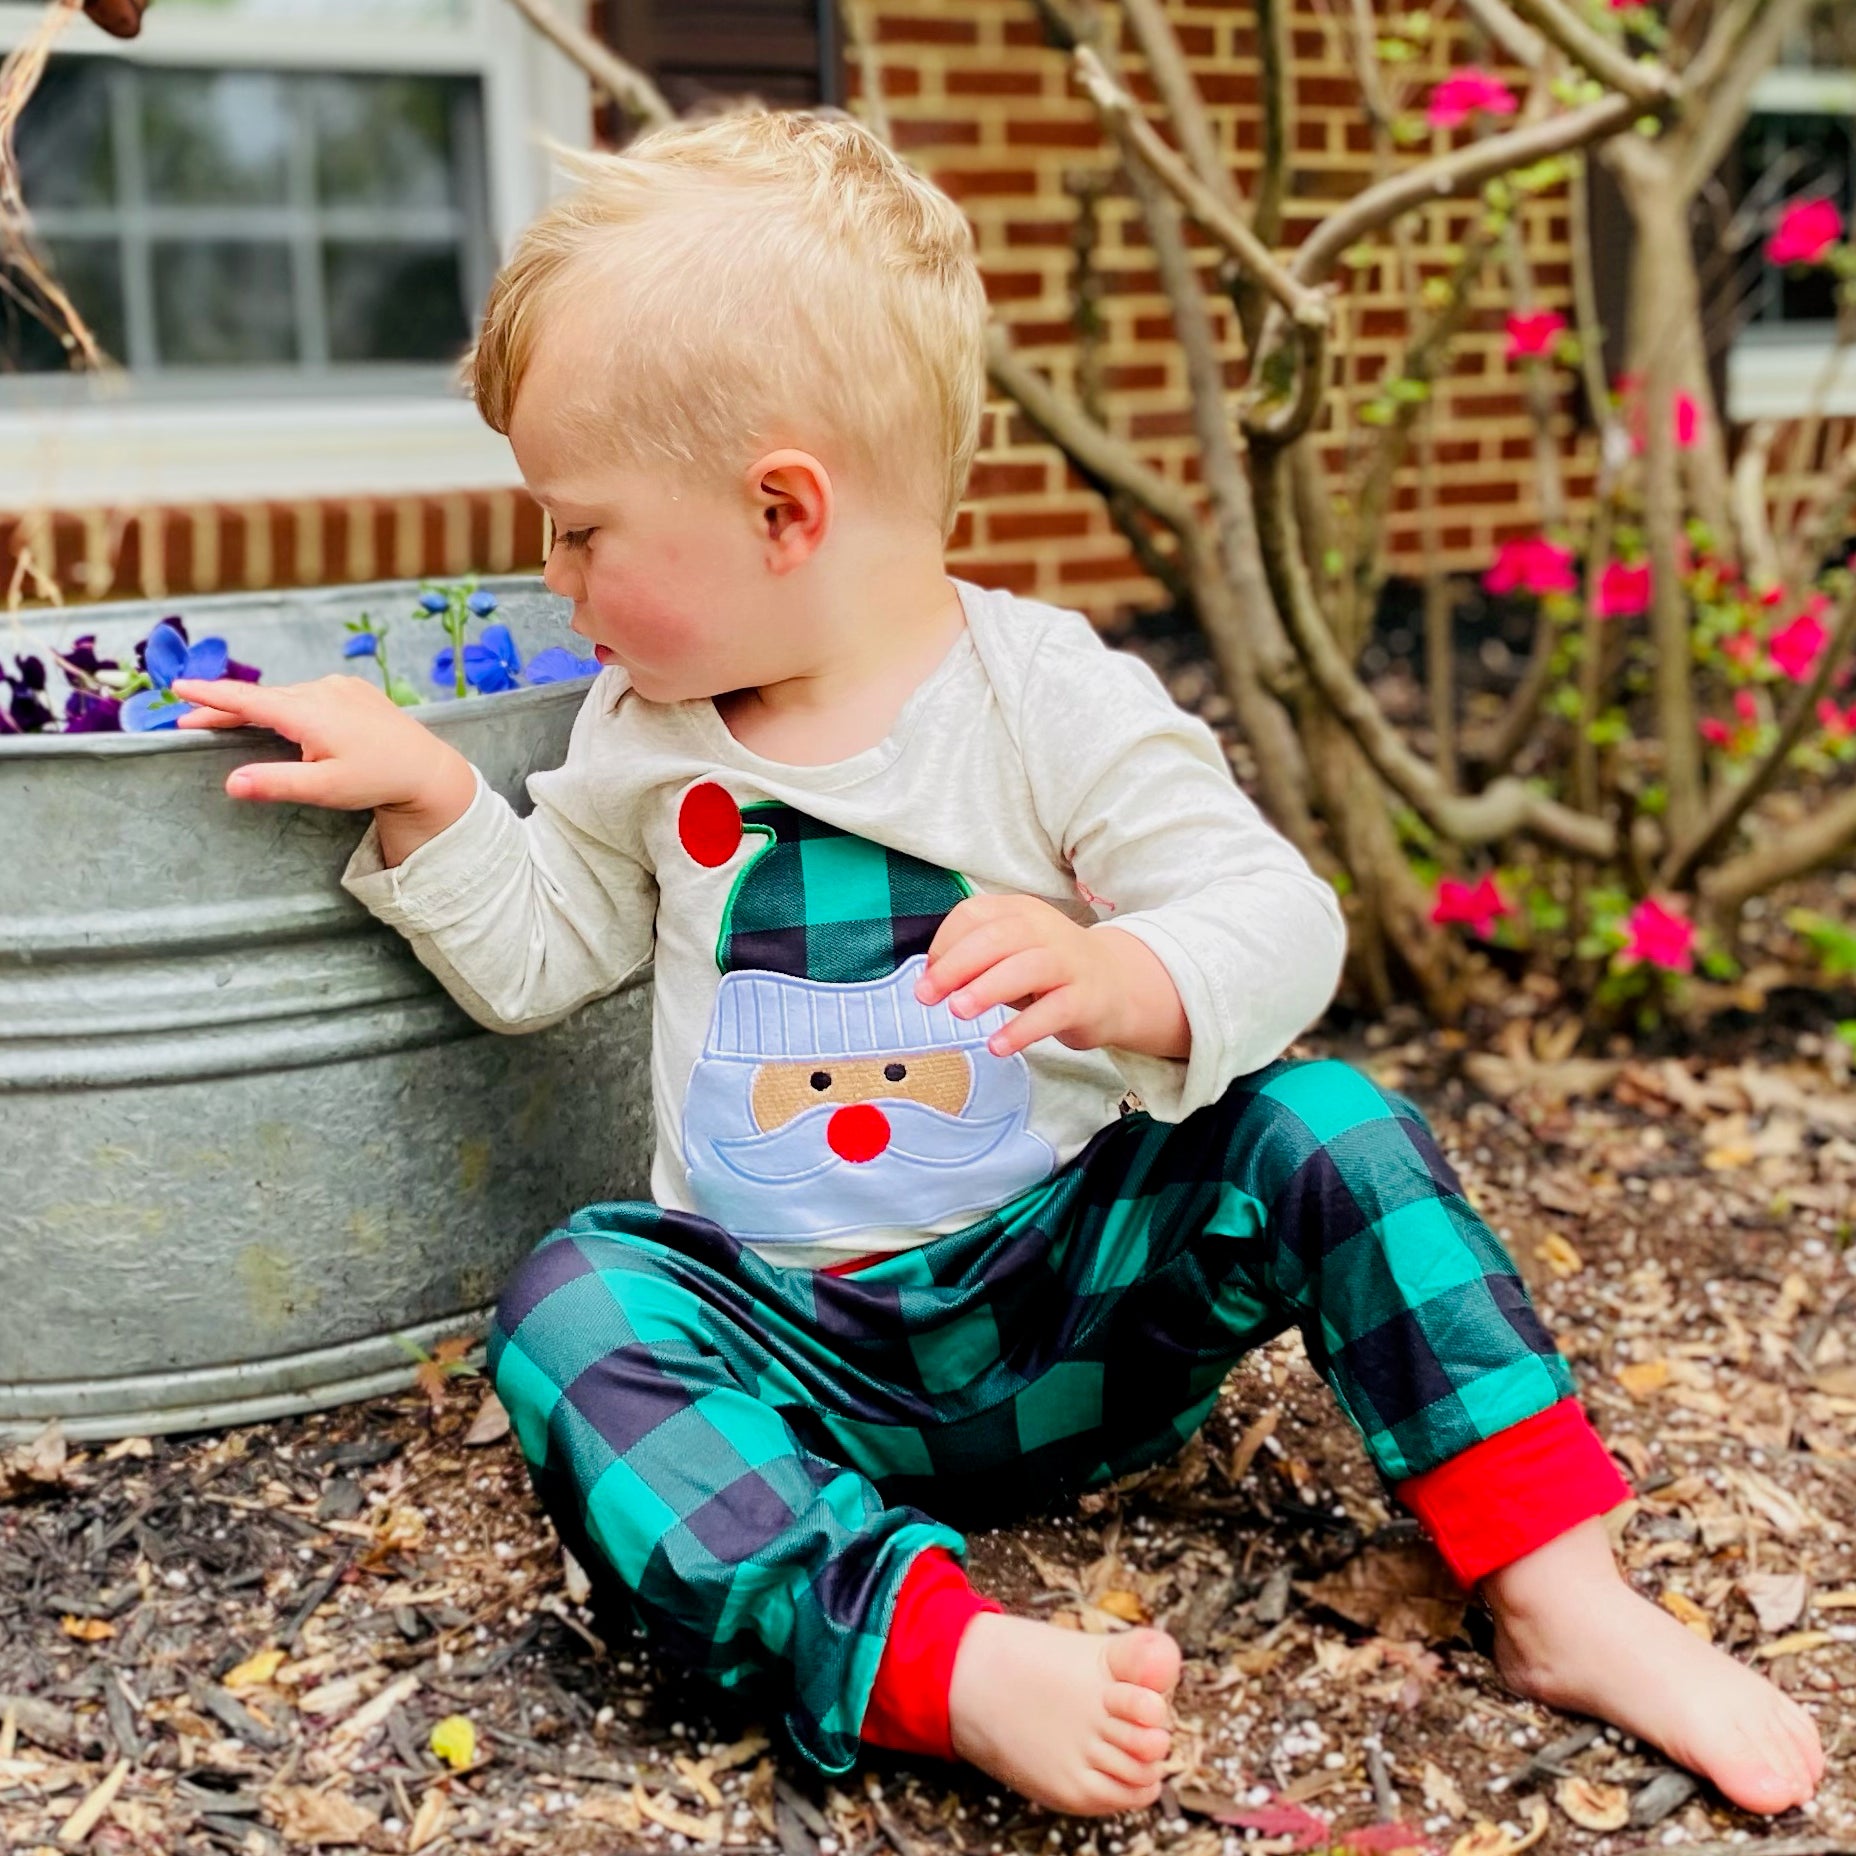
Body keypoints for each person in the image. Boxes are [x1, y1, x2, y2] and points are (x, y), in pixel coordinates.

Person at [174, 109, 1824, 1820]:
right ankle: (932, 1659)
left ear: (782, 510)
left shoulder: (1045, 699)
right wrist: (439, 796)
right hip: (794, 1359)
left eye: (581, 529)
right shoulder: (645, 731)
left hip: (1066, 1310)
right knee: (579, 1296)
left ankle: (1565, 1594)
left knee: (1326, 1129)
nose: (553, 573)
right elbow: (541, 960)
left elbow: (1280, 919)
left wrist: (1130, 975)